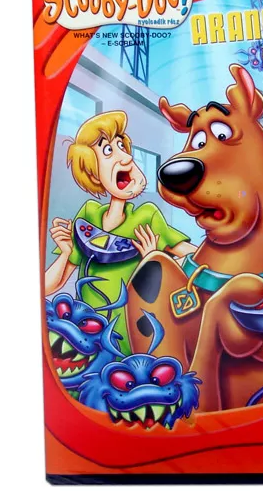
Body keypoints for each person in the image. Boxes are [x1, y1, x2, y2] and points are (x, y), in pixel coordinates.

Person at [45, 111, 196, 355]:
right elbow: (50, 286)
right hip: (88, 336)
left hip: (136, 338)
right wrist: (65, 253)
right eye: (108, 150)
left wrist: (154, 261)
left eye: (121, 146)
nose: (126, 157)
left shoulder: (146, 217)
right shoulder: (88, 215)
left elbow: (197, 257)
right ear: (93, 172)